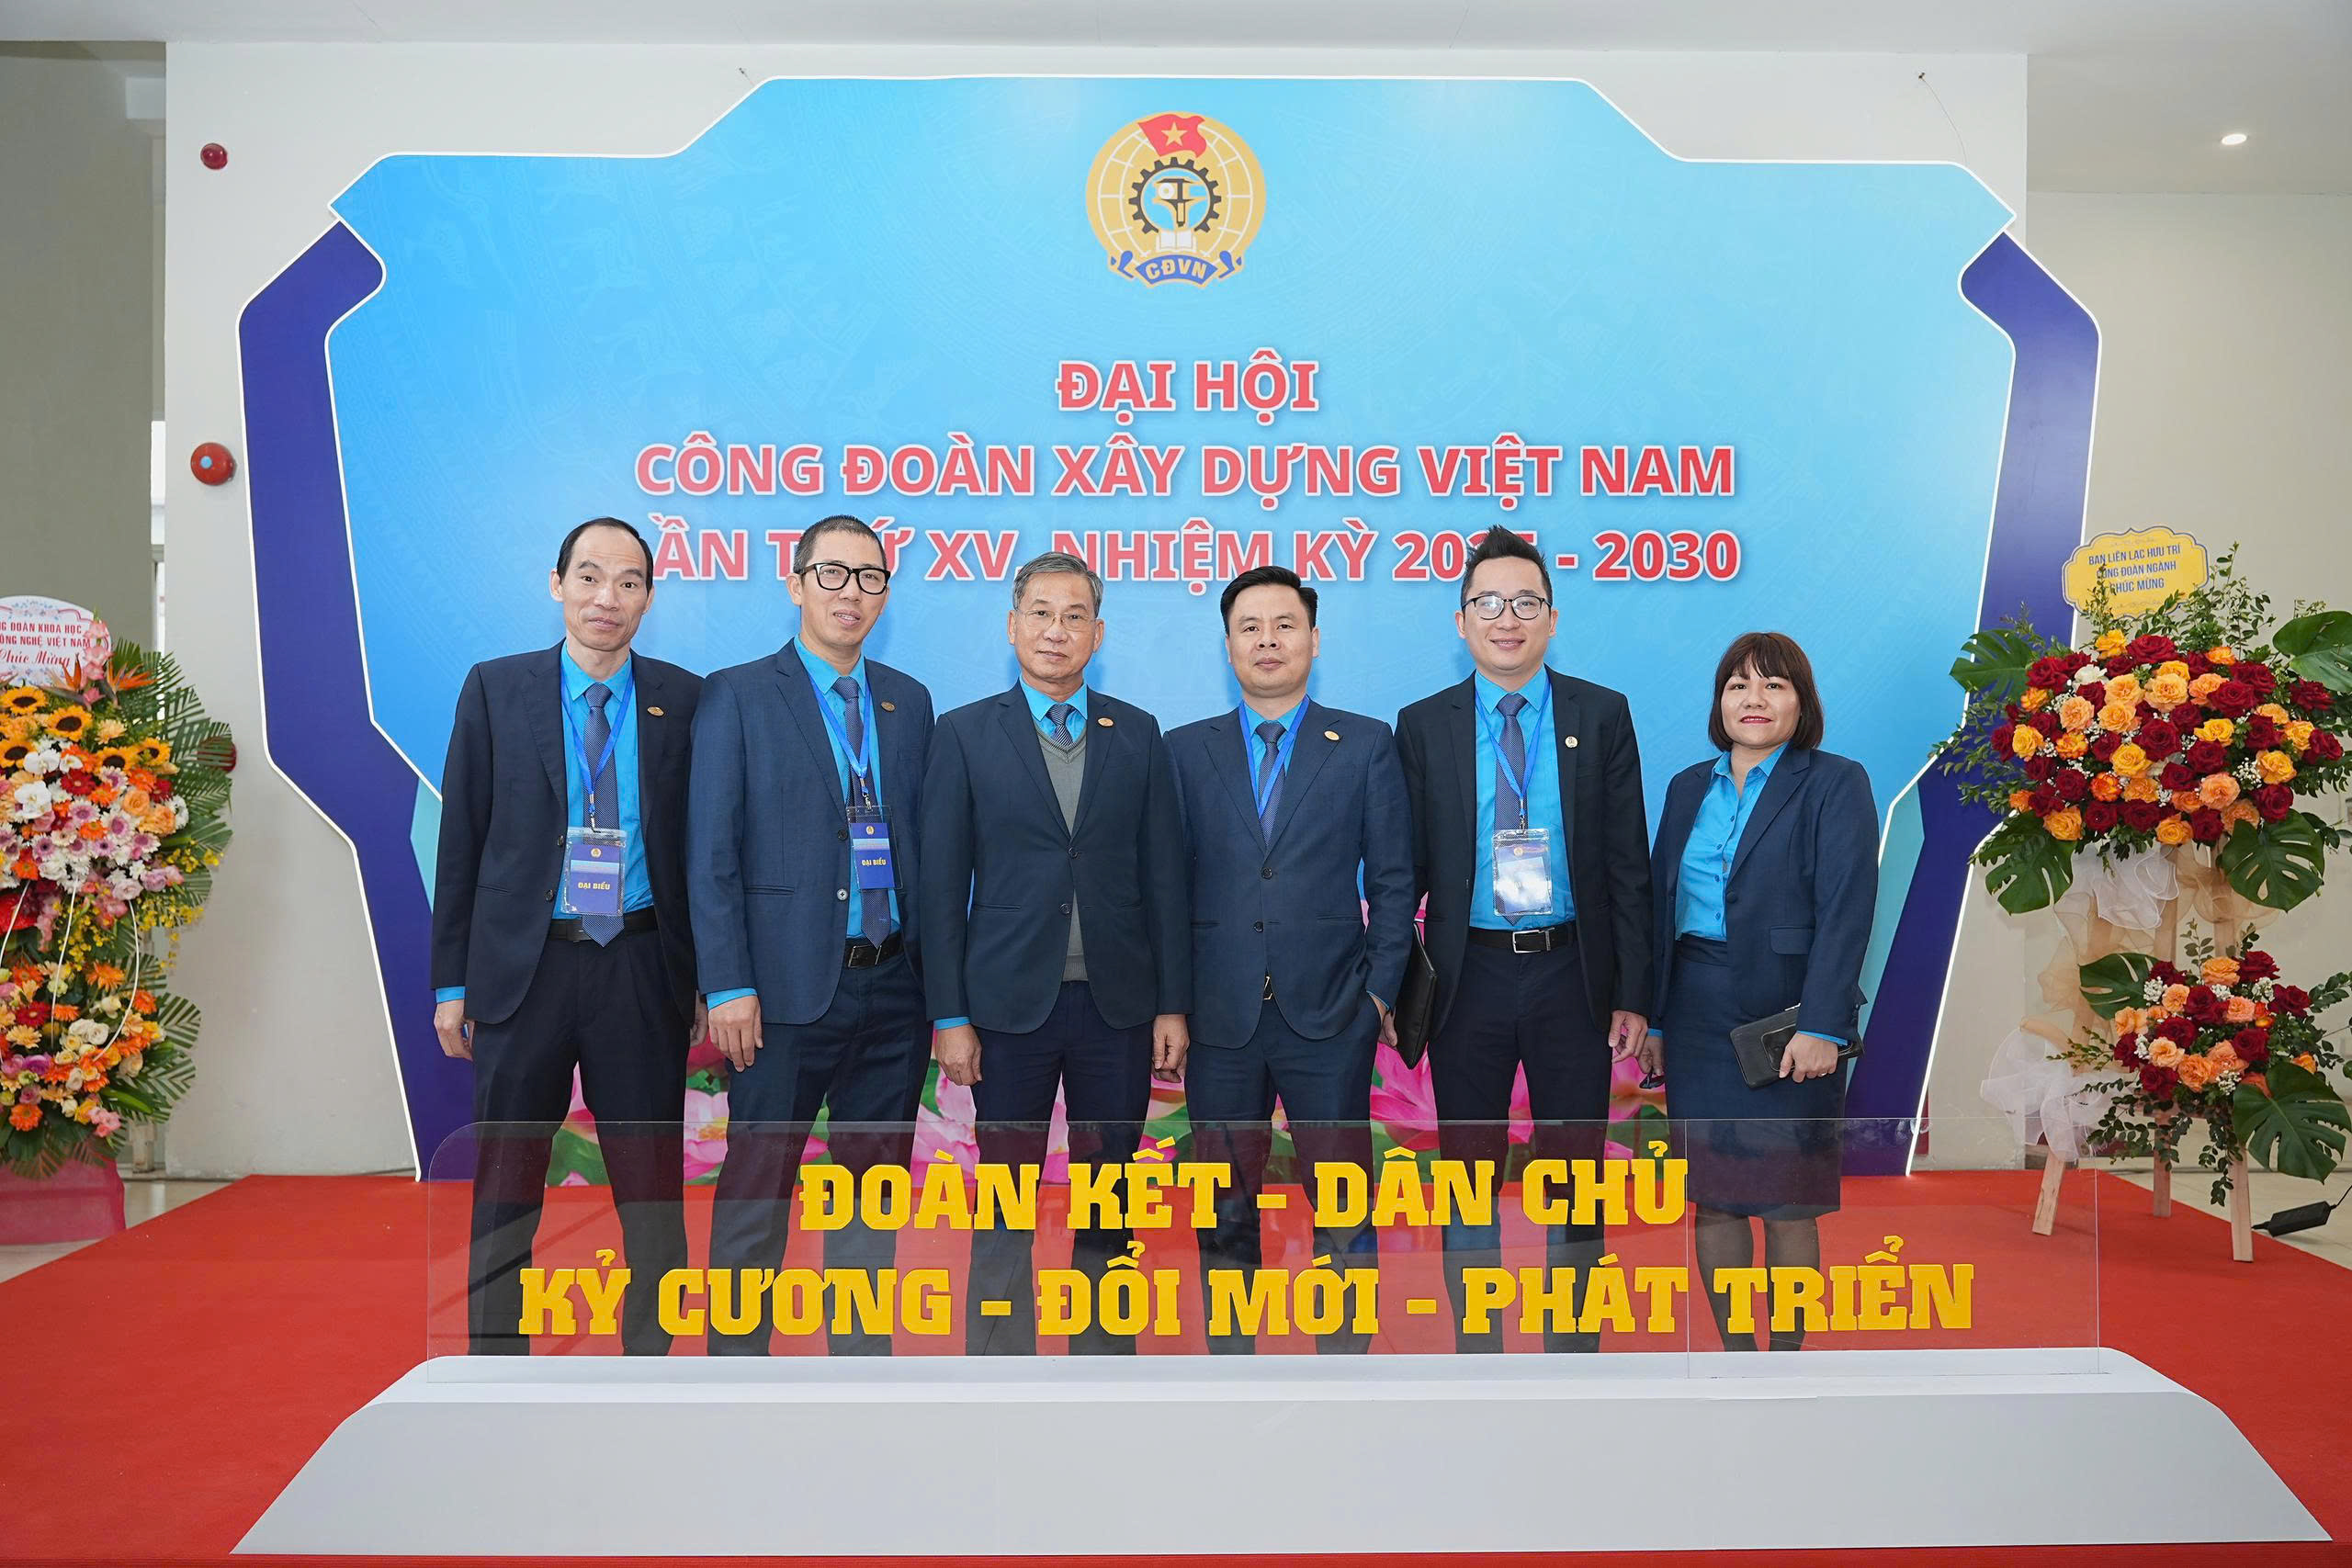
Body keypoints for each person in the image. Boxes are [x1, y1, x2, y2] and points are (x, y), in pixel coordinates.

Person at [431, 517, 703, 1355]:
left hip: (640, 965)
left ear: (648, 598)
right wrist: (451, 984)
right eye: (589, 576)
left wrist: (704, 977)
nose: (606, 597)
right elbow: (461, 839)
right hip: (526, 969)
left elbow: (704, 851)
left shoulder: (684, 699)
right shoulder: (495, 688)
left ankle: (651, 1360)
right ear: (557, 584)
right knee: (506, 1182)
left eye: (628, 582)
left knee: (651, 1188)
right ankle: (494, 1361)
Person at [919, 550, 1190, 1355]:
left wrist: (1172, 1003)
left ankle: (1105, 1361)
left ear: (1097, 634)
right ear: (1013, 626)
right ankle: (998, 1364)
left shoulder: (1137, 732)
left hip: (1117, 1007)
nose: (1056, 630)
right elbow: (942, 887)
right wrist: (949, 1015)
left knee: (1110, 1192)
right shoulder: (964, 733)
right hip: (1007, 1008)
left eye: (1075, 616)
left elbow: (1164, 879)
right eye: (1040, 613)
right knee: (1005, 1195)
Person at [1394, 525, 1653, 1352]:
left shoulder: (1600, 714)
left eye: (1526, 602)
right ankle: (1479, 1351)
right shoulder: (1422, 724)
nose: (1508, 618)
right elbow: (1403, 871)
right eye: (1489, 603)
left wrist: (1634, 994)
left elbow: (1628, 864)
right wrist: (1391, 985)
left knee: (1575, 1172)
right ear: (1461, 620)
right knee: (1467, 1177)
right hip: (1466, 975)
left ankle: (1573, 1350)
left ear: (1553, 617)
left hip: (1571, 973)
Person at [688, 515, 934, 1355]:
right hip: (780, 994)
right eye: (832, 573)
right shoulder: (738, 694)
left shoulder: (908, 701)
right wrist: (728, 983)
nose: (850, 593)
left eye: (870, 578)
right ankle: (735, 1371)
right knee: (758, 1190)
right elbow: (710, 852)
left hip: (893, 988)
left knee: (871, 1198)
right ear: (795, 583)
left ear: (885, 596)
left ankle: (860, 1371)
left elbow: (924, 847)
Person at [1167, 566, 1415, 1354]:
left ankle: (1347, 1368)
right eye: (1250, 627)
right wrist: (1173, 1002)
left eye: (1284, 625)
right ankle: (1231, 1366)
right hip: (1220, 1019)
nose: (1267, 640)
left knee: (1343, 1207)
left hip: (1331, 1015)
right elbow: (1165, 887)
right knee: (1224, 1204)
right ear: (1228, 645)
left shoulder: (1365, 743)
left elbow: (1394, 879)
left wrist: (1378, 996)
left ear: (1314, 638)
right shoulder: (1184, 750)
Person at [1649, 631, 1877, 1351]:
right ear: (1719, 702)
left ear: (1801, 702)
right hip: (1696, 1012)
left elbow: (1847, 910)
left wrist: (1824, 1024)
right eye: (1738, 685)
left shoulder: (1835, 782)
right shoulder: (1688, 785)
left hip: (1790, 1014)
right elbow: (1660, 907)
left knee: (1788, 1201)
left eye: (1774, 685)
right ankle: (1736, 1355)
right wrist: (1654, 1020)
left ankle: (1785, 1360)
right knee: (1714, 1197)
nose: (1754, 699)